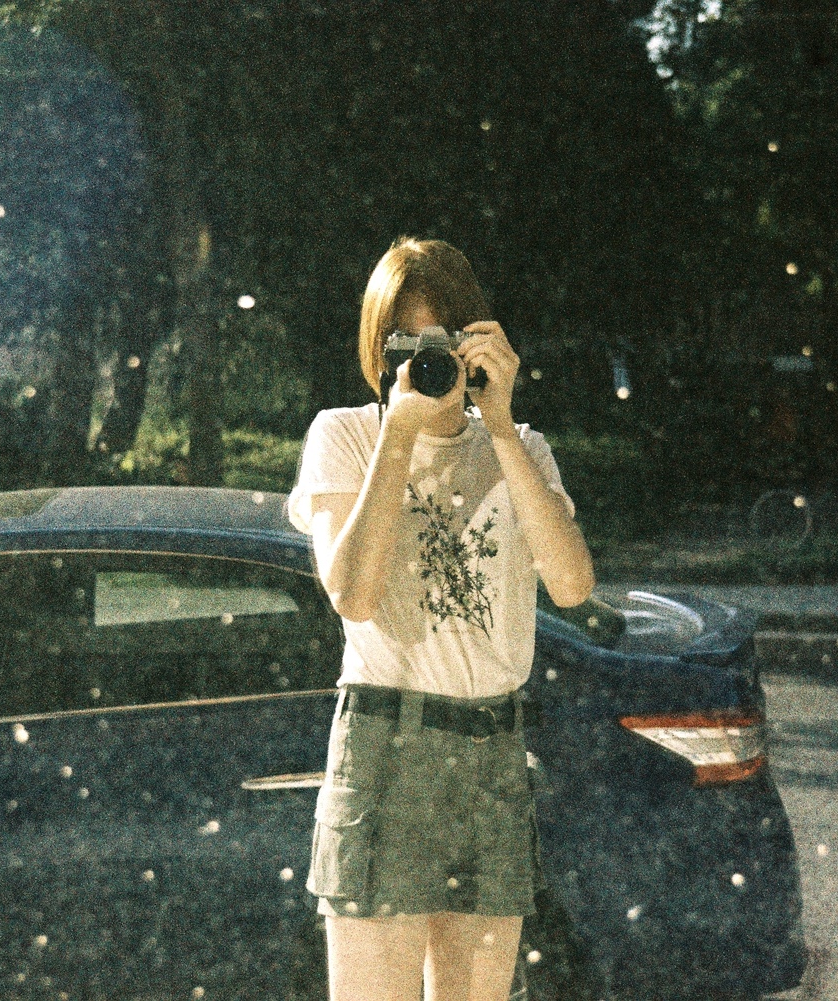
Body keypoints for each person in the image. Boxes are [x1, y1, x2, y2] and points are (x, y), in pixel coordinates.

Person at [286, 236, 596, 1001]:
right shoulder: (347, 435)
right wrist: (398, 428)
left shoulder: (520, 447)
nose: (432, 362)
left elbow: (572, 584)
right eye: (409, 344)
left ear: (478, 342)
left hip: (492, 744)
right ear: (377, 347)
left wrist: (499, 423)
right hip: (384, 738)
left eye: (446, 342)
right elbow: (352, 593)